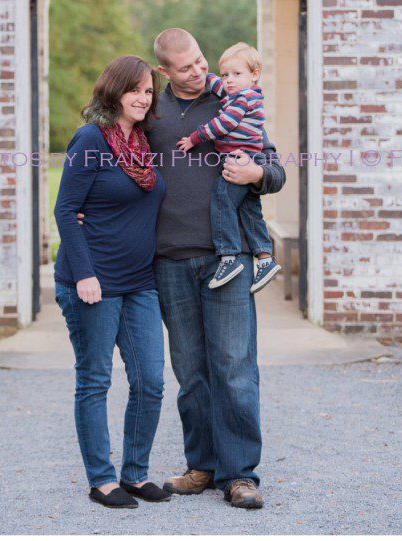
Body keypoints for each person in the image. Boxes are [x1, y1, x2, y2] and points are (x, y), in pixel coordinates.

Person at [149, 27, 284, 510]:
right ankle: (201, 466)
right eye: (185, 67)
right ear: (165, 71)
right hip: (169, 260)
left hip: (230, 257)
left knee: (234, 368)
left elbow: (275, 170)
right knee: (191, 371)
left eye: (201, 60)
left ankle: (240, 474)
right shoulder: (151, 111)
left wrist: (256, 174)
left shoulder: (232, 96)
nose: (199, 71)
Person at [53, 55, 170, 508]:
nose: (142, 98)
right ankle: (102, 480)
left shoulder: (142, 142)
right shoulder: (90, 139)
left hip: (140, 281)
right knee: (95, 379)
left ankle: (135, 473)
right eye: (134, 89)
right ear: (114, 91)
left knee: (151, 380)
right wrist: (84, 273)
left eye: (148, 91)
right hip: (94, 283)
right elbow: (66, 209)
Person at [174, 42, 280, 292]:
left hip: (237, 159)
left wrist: (194, 138)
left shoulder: (241, 100)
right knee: (248, 209)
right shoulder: (239, 93)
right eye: (225, 74)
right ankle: (265, 258)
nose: (229, 80)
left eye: (237, 74)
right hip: (248, 156)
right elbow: (219, 86)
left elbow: (222, 124)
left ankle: (228, 257)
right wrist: (204, 73)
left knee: (222, 200)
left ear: (255, 75)